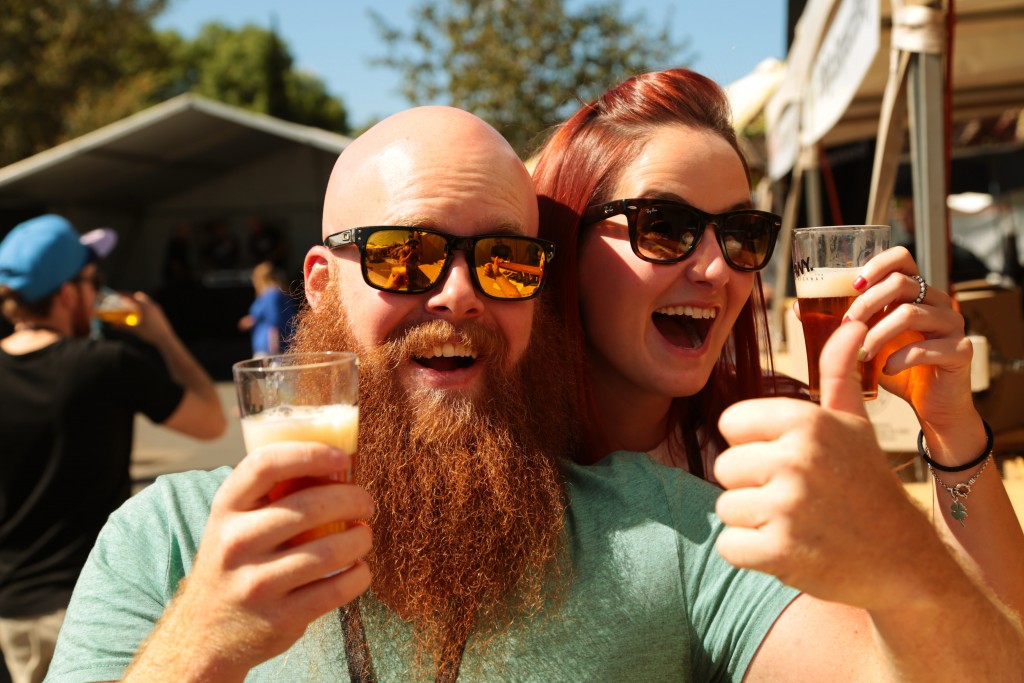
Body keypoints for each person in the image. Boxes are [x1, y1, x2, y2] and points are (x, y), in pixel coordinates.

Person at [46, 108, 1023, 682]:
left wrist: (906, 567)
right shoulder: (167, 538)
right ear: (317, 282)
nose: (460, 293)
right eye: (404, 254)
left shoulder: (673, 532)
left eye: (506, 263)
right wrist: (195, 647)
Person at [531, 65, 1024, 663]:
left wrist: (951, 427)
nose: (718, 269)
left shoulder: (780, 436)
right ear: (565, 247)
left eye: (741, 232)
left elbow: (996, 650)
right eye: (663, 227)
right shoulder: (491, 470)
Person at [0, 214, 228, 683]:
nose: (99, 292)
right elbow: (212, 421)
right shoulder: (107, 365)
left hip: (10, 614)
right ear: (67, 293)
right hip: (89, 607)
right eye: (93, 281)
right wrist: (160, 334)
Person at [237, 261, 297, 357]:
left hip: (270, 349)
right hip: (271, 347)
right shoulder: (275, 293)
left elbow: (274, 320)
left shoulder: (272, 294)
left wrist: (274, 347)